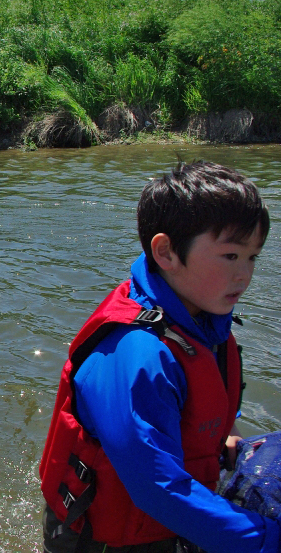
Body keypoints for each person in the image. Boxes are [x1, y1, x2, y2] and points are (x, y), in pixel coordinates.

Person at [39, 161, 275, 553]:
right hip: (102, 541)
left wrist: (227, 442)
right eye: (231, 256)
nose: (245, 275)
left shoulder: (202, 320)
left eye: (253, 258)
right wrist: (267, 539)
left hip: (169, 523)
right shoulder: (135, 353)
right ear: (166, 252)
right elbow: (156, 487)